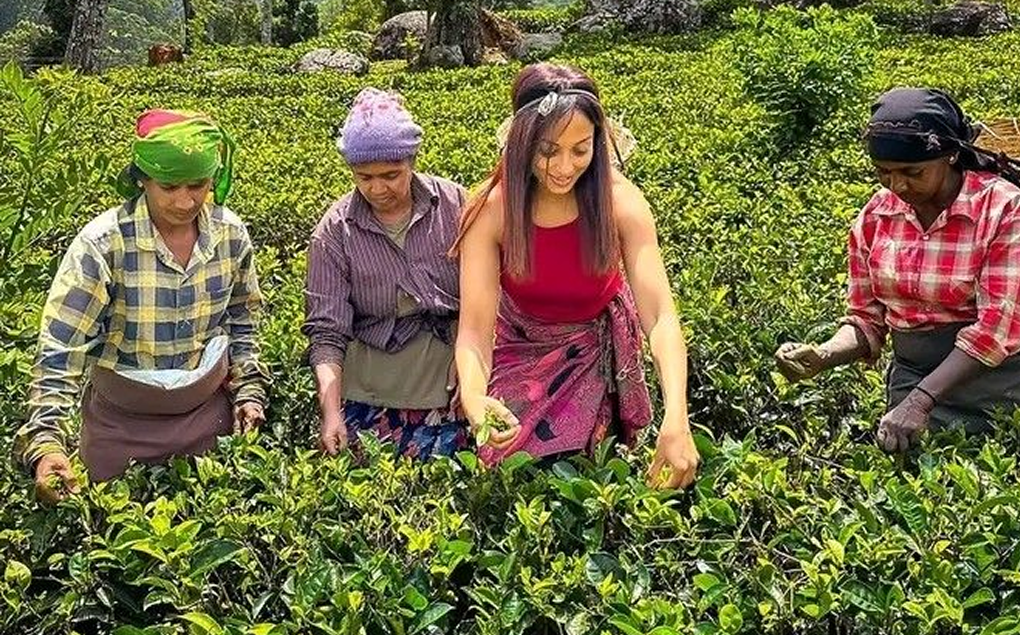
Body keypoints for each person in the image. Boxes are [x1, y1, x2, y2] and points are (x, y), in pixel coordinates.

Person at [454, 63, 699, 489]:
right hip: (522, 344)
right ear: (522, 142)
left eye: (580, 150)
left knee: (594, 471)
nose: (565, 167)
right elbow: (475, 331)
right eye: (548, 151)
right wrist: (475, 397)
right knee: (504, 462)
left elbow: (660, 316)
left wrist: (677, 415)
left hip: (595, 343)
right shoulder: (492, 209)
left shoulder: (621, 202)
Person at [775, 87, 1020, 451]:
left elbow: (997, 329)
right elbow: (866, 317)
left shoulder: (1001, 207)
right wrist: (825, 354)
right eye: (883, 173)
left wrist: (922, 400)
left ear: (951, 155)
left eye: (912, 172)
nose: (897, 185)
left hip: (1004, 380)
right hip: (916, 376)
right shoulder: (876, 216)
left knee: (1007, 460)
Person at [17, 109, 267, 502]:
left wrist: (249, 391)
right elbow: (62, 348)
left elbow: (243, 321)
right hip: (120, 428)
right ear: (142, 180)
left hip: (208, 422)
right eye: (169, 186)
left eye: (198, 185)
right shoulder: (103, 244)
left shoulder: (230, 235)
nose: (185, 201)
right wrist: (47, 444)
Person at [303, 88, 469, 460]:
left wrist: (471, 357)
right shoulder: (335, 230)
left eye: (391, 175)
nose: (378, 189)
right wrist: (330, 413)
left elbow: (488, 295)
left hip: (448, 373)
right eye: (364, 177)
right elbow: (327, 331)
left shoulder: (456, 205)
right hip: (370, 384)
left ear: (412, 160)